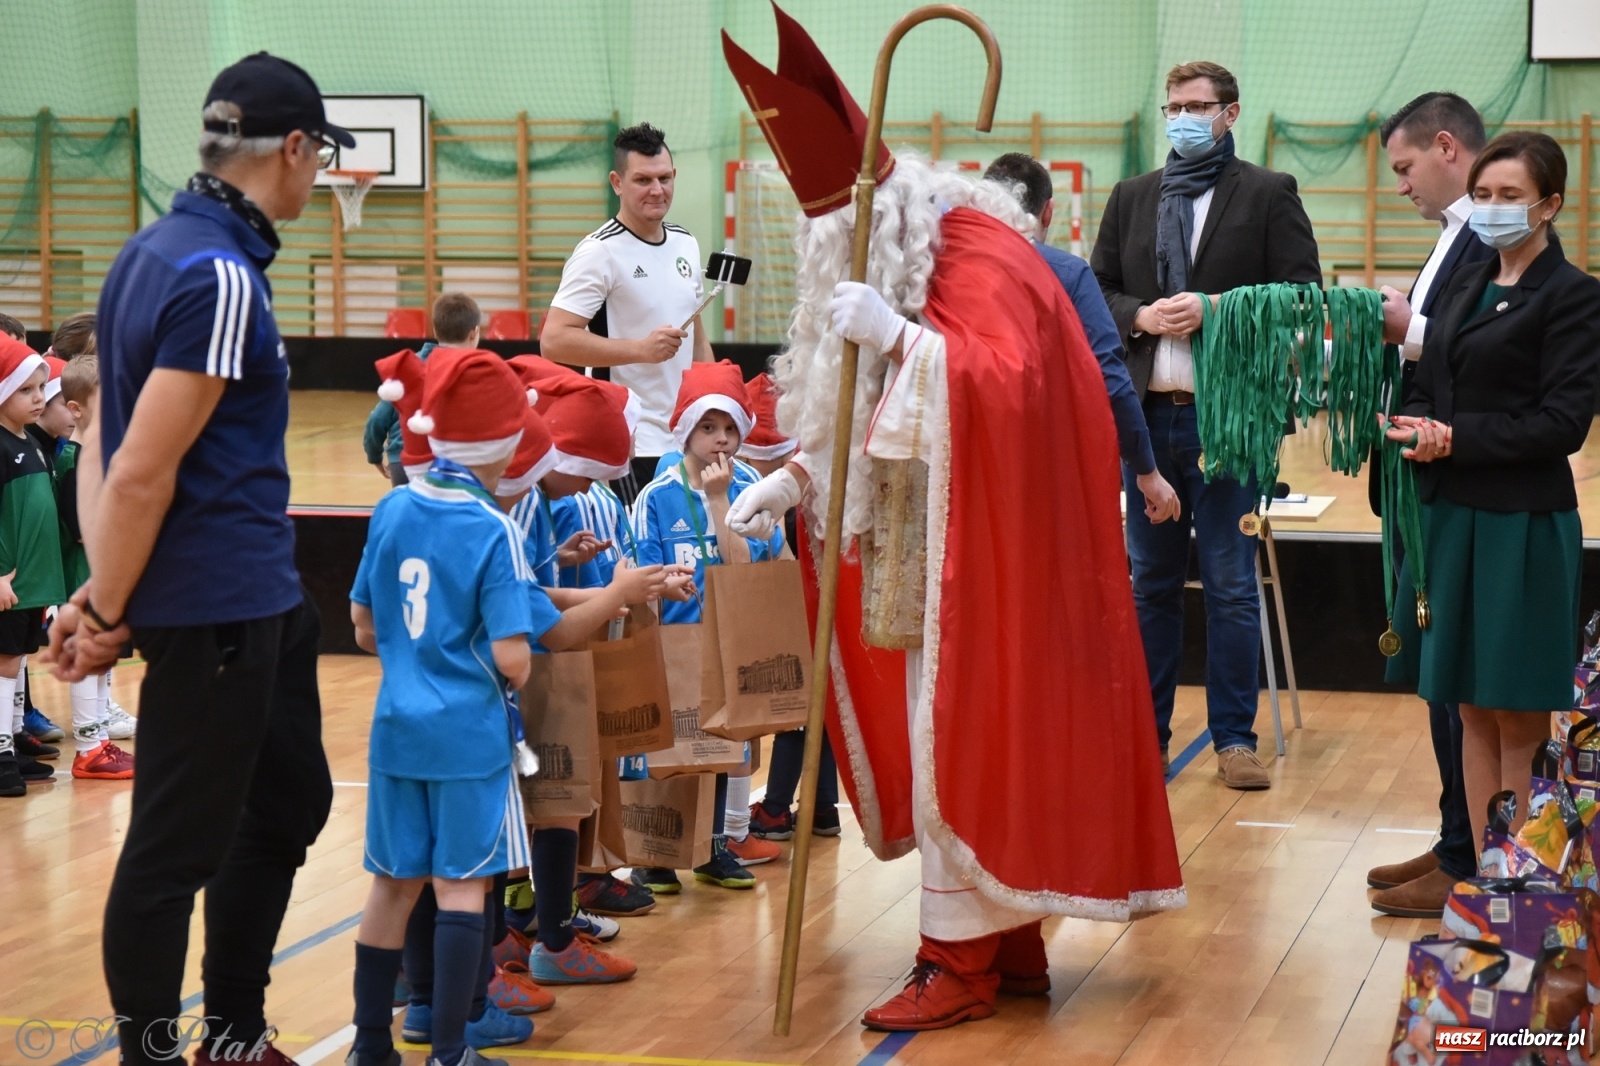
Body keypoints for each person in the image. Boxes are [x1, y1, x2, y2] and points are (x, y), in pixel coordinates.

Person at [722, 5, 1184, 1031]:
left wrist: (899, 337)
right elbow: (858, 407)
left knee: (960, 740)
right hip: (922, 552)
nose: (829, 260)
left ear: (880, 212)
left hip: (987, 561)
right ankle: (1007, 942)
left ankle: (956, 959)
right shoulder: (899, 258)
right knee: (947, 735)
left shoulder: (974, 251)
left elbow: (1016, 390)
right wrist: (795, 480)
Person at [43, 51, 352, 1066]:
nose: (320, 177)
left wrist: (97, 587)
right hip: (217, 603)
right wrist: (106, 608)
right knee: (173, 849)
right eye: (320, 156)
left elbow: (102, 440)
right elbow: (136, 468)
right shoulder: (217, 274)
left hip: (260, 595)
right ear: (293, 148)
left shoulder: (149, 252)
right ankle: (162, 1050)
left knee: (290, 800)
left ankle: (233, 1032)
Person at [1091, 60, 1321, 789]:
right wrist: (1141, 314)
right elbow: (1097, 291)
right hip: (1146, 423)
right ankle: (1144, 737)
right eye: (1175, 107)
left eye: (1199, 106)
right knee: (1150, 586)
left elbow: (1303, 294)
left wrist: (1217, 308)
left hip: (1231, 421)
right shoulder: (1132, 196)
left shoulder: (1268, 192)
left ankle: (1234, 740)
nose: (1185, 118)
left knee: (1230, 584)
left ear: (1230, 113)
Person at [1384, 131, 1600, 862]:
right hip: (1448, 515)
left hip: (1521, 523)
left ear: (1549, 205)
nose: (1492, 207)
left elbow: (1561, 423)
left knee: (1518, 714)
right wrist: (1413, 422)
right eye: (1482, 194)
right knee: (1471, 707)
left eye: (1511, 196)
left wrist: (1456, 438)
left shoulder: (1573, 296)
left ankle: (1529, 881)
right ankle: (1484, 881)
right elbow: (1428, 377)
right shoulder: (1468, 282)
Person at [348, 349, 545, 1066]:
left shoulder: (393, 506)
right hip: (467, 736)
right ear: (505, 444)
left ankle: (371, 1046)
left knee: (392, 885)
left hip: (396, 729)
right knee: (462, 886)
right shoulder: (495, 529)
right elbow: (513, 657)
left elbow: (363, 626)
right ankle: (451, 1050)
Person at [1364, 94, 1494, 920]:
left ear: (1447, 147)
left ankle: (1471, 854)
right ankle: (1456, 838)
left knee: (1460, 683)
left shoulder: (1491, 237)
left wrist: (1408, 328)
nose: (1401, 185)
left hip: (1464, 478)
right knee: (1439, 677)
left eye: (1406, 167)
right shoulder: (1453, 235)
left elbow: (1473, 350)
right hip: (1429, 478)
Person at [631, 360, 785, 891]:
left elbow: (744, 568)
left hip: (728, 639)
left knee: (723, 749)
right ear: (685, 430)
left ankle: (715, 847)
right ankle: (656, 855)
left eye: (730, 428)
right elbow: (645, 578)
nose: (722, 439)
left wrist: (720, 502)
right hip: (674, 642)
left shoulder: (749, 486)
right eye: (708, 427)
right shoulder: (655, 496)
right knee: (670, 751)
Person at [984, 153, 1178, 525]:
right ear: (1049, 212)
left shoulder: (945, 267)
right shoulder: (1068, 274)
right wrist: (1146, 469)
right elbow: (1110, 376)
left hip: (964, 458)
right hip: (1043, 465)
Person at [540, 123, 713, 502]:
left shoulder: (686, 242)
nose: (657, 190)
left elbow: (697, 335)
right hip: (632, 441)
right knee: (641, 541)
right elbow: (553, 340)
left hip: (684, 439)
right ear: (617, 183)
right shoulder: (598, 252)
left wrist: (714, 403)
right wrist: (639, 350)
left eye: (664, 178)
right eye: (643, 180)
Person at [736, 373, 843, 841]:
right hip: (823, 617)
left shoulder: (788, 500)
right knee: (822, 707)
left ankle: (776, 808)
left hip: (800, 614)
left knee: (793, 711)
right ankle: (822, 808)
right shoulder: (818, 488)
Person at [47, 353, 134, 779]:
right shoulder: (73, 461)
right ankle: (87, 747)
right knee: (88, 656)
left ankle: (99, 740)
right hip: (82, 575)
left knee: (103, 660)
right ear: (76, 408)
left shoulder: (95, 456)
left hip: (99, 574)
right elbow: (83, 529)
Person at [0, 340, 63, 796]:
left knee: (16, 659)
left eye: (41, 388)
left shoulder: (31, 443)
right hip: (7, 580)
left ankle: (9, 744)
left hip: (29, 581)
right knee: (4, 661)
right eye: (26, 390)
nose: (39, 398)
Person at [365, 293, 483, 488]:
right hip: (453, 465)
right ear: (474, 332)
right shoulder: (477, 373)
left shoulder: (408, 368)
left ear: (435, 330)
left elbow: (378, 419)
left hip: (402, 463)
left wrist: (374, 455)